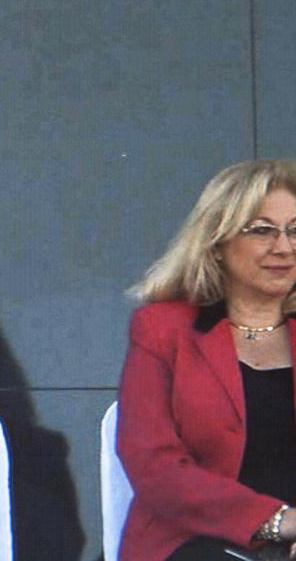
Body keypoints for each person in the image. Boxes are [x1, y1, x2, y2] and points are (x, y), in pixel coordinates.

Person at [117, 159, 296, 560]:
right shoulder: (162, 329)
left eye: (295, 230)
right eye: (262, 230)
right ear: (218, 241)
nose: (284, 247)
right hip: (197, 545)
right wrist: (277, 520)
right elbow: (153, 465)